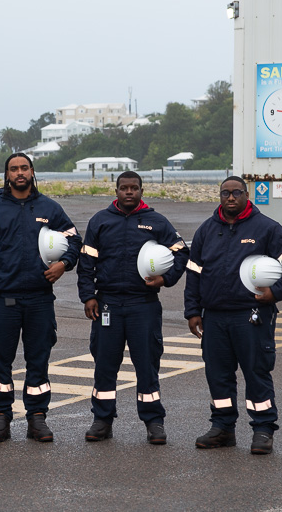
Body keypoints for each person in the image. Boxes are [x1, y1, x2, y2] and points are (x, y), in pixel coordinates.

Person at [185, 176, 282, 455]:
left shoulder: (266, 228)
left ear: (246, 195)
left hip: (251, 315)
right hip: (215, 317)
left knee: (256, 372)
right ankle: (223, 428)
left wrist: (276, 292)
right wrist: (193, 311)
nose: (230, 197)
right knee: (218, 375)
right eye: (225, 193)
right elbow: (194, 273)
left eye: (236, 192)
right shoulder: (206, 230)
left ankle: (263, 429)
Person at [0, 153, 81, 443]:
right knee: (1, 360)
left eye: (24, 168)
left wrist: (64, 264)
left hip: (39, 299)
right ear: (7, 175)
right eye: (14, 169)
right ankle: (0, 418)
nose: (19, 173)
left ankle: (37, 418)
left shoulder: (50, 208)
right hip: (4, 298)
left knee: (38, 359)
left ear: (32, 171)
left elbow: (75, 239)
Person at [77, 171, 188, 445]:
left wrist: (166, 279)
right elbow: (86, 262)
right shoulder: (100, 221)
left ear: (141, 191)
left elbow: (181, 252)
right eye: (124, 188)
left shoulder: (156, 221)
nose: (129, 192)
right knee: (105, 364)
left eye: (134, 188)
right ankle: (102, 420)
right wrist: (88, 296)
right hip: (108, 305)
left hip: (143, 305)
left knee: (147, 365)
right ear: (116, 190)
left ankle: (154, 422)